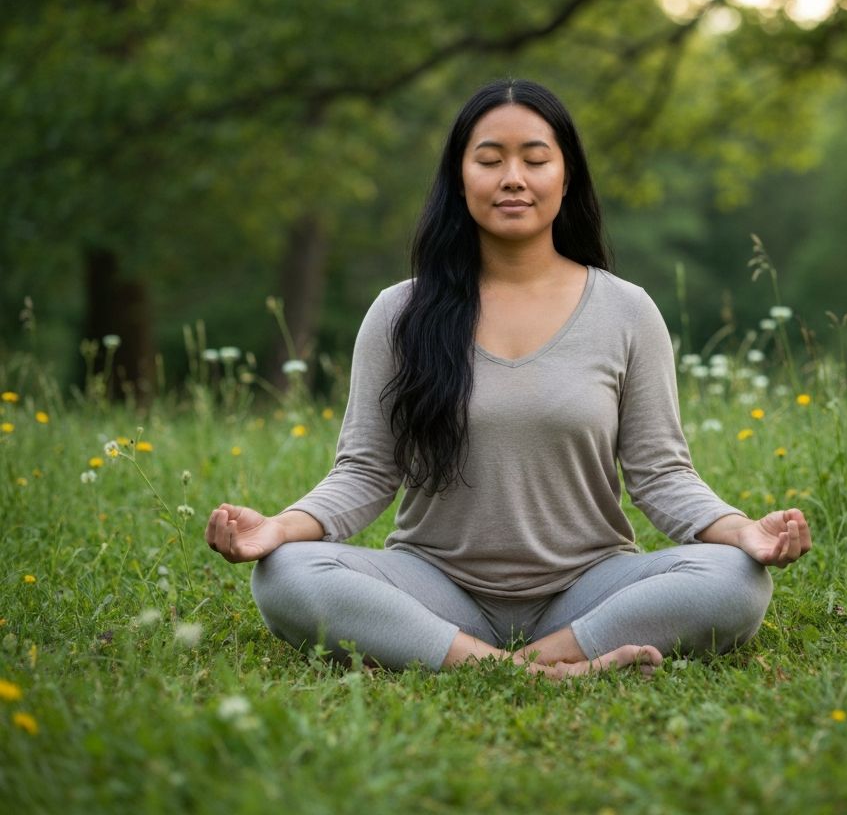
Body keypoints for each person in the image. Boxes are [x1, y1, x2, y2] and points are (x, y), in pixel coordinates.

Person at [205, 78, 811, 679]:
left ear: (565, 177)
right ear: (460, 178)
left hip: (588, 589)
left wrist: (741, 531)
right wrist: (279, 529)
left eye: (536, 160)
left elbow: (662, 474)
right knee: (285, 574)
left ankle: (506, 662)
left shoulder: (627, 311)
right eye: (490, 160)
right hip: (435, 588)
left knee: (735, 580)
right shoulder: (400, 312)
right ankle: (539, 670)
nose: (513, 178)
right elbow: (364, 472)